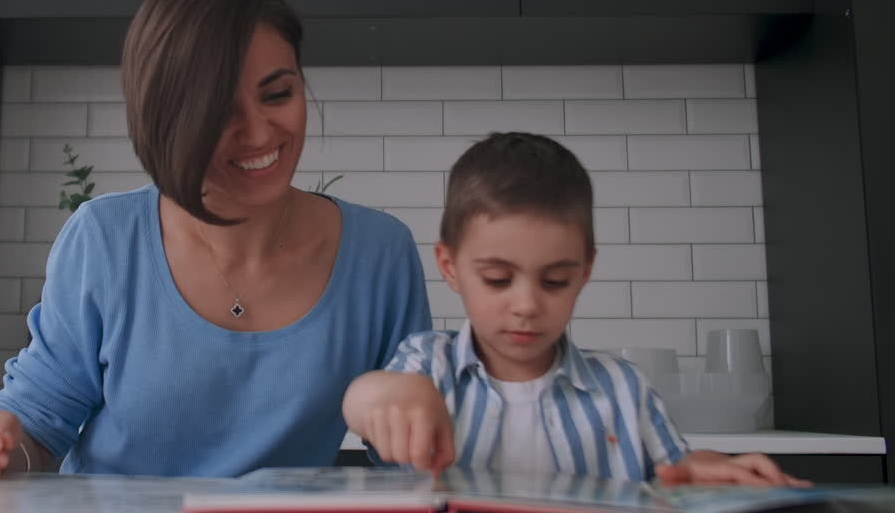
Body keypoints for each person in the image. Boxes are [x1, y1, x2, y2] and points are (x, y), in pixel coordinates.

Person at [0, 0, 432, 478]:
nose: (260, 132)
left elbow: (410, 466)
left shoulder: (380, 253)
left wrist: (431, 423)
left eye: (277, 94)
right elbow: (36, 429)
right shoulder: (105, 239)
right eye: (220, 110)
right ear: (166, 116)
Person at [342, 132, 808, 487]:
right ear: (450, 266)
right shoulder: (427, 366)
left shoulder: (624, 389)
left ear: (584, 271)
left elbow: (674, 470)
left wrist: (704, 470)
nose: (526, 305)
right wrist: (385, 395)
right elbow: (360, 401)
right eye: (498, 279)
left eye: (554, 281)